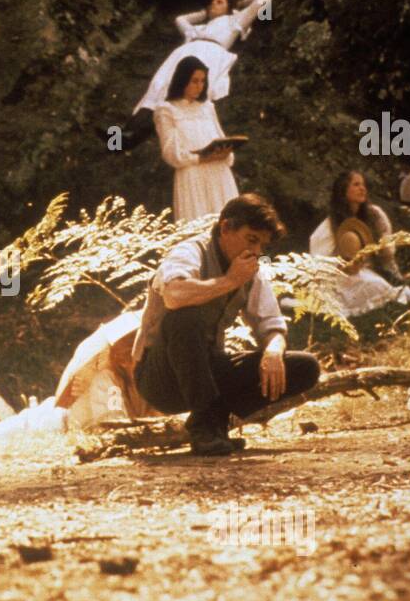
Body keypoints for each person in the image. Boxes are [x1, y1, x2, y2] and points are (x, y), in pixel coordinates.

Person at [131, 194, 321, 455]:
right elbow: (174, 296)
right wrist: (229, 281)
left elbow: (271, 324)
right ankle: (206, 425)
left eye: (262, 246)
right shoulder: (190, 251)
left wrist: (274, 351)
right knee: (184, 317)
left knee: (305, 367)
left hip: (206, 369)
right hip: (160, 377)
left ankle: (209, 422)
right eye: (251, 239)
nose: (255, 252)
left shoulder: (251, 268)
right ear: (225, 228)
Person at [309, 170, 410, 316]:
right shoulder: (330, 225)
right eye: (356, 184)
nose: (362, 188)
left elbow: (388, 256)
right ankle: (400, 296)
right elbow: (318, 261)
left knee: (375, 281)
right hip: (343, 277)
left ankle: (404, 293)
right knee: (372, 283)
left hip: (373, 269)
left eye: (363, 184)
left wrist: (396, 276)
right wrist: (343, 266)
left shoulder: (374, 215)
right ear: (343, 192)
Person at [134, 0, 274, 114]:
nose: (213, 4)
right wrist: (204, 13)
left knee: (193, 88)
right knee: (161, 83)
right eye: (211, 3)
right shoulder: (197, 29)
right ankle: (142, 119)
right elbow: (180, 19)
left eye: (219, 2)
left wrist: (239, 2)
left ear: (229, 8)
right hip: (185, 52)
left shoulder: (234, 20)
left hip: (211, 53)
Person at [153, 57, 239, 222]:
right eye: (194, 81)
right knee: (198, 226)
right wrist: (200, 158)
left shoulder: (208, 108)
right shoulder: (166, 110)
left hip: (219, 173)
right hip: (192, 176)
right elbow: (171, 153)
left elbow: (221, 137)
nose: (199, 86)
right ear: (183, 80)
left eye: (202, 81)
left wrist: (225, 153)